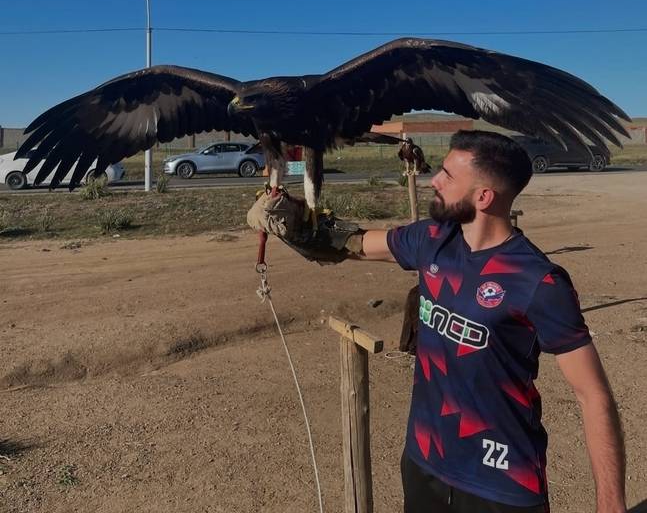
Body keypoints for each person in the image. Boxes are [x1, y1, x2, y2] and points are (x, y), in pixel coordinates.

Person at [248, 130, 626, 513]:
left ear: (483, 197)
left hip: (501, 479)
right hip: (425, 457)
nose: (434, 180)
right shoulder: (433, 239)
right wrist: (294, 220)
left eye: (447, 175)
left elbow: (593, 395)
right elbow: (353, 244)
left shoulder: (538, 281)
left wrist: (610, 505)